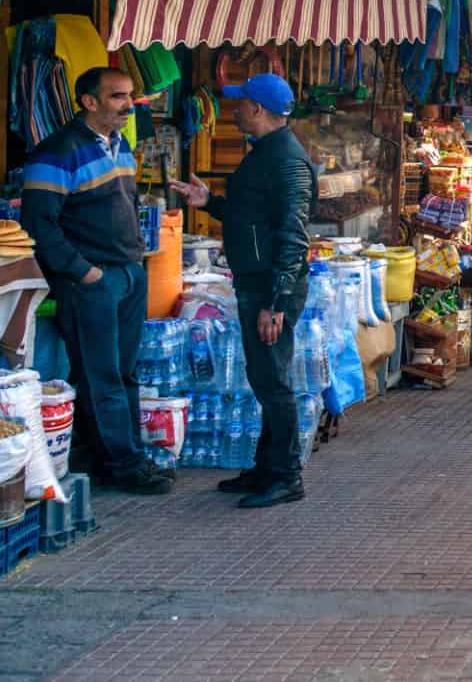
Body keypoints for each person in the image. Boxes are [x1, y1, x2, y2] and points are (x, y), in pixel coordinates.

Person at [171, 73, 317, 509]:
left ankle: (287, 475)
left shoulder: (285, 160)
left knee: (272, 381)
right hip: (258, 281)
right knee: (263, 377)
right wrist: (209, 202)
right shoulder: (265, 155)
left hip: (270, 286)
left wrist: (274, 302)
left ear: (257, 109)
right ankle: (266, 467)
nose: (234, 110)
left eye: (240, 103)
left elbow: (293, 236)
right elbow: (252, 216)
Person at [23, 67, 169, 496]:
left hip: (128, 273)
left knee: (123, 374)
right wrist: (82, 271)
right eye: (118, 97)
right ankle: (125, 466)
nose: (129, 105)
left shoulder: (122, 145)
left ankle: (114, 456)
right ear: (89, 102)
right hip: (91, 280)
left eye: (129, 96)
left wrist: (136, 261)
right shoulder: (56, 153)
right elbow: (38, 225)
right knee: (101, 374)